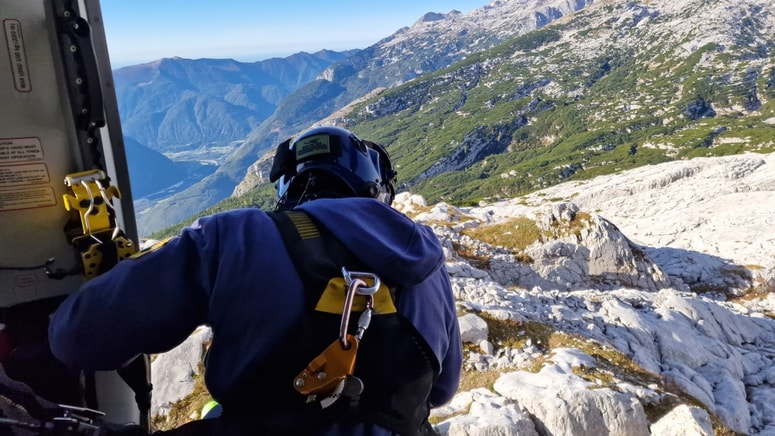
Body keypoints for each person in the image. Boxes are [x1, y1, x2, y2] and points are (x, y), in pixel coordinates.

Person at [48, 125, 463, 435]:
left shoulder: (235, 237)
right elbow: (442, 391)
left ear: (288, 184)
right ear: (373, 185)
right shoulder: (426, 259)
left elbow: (77, 337)